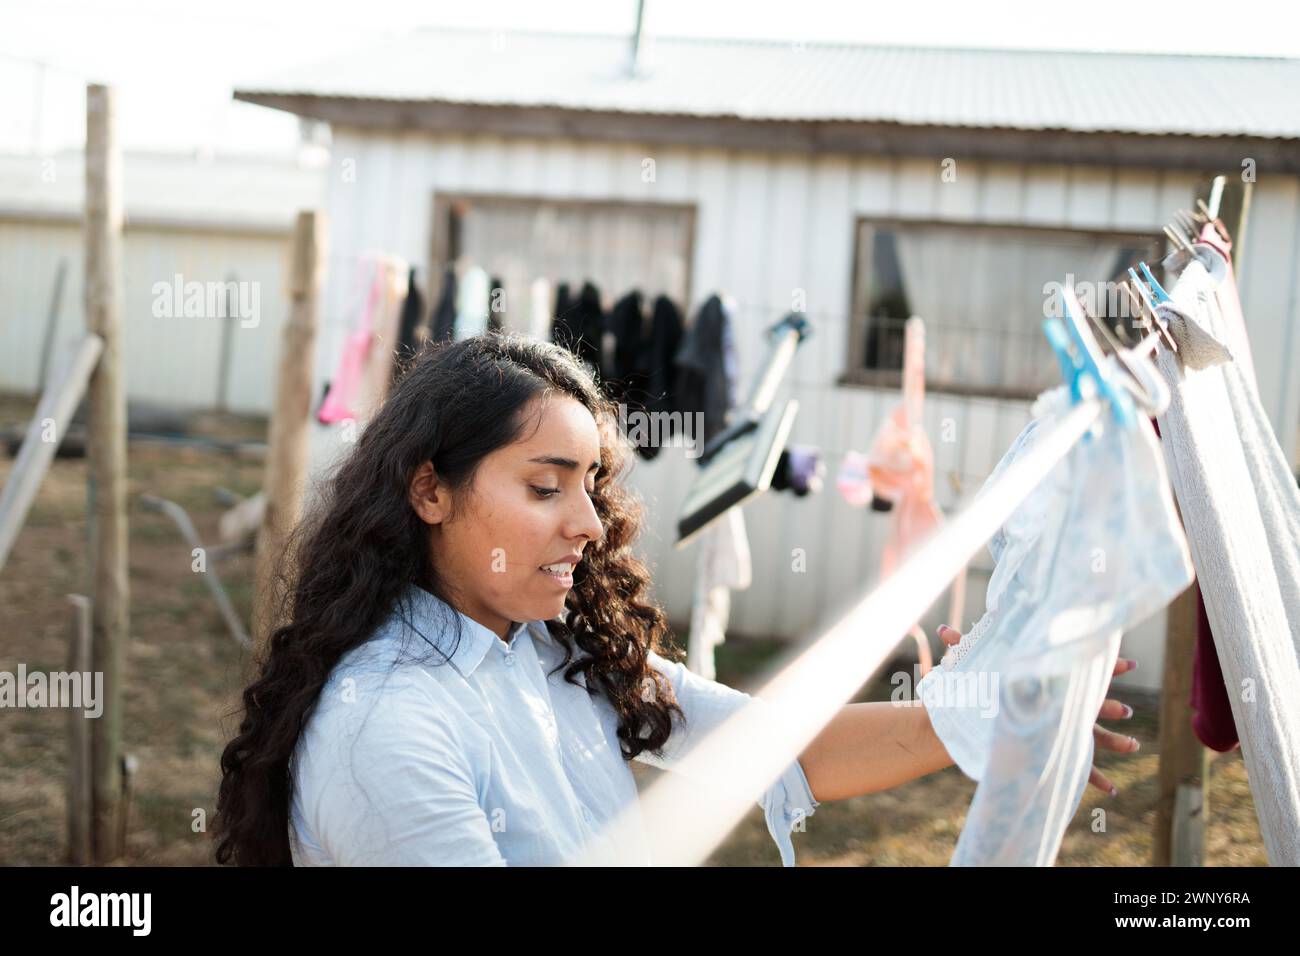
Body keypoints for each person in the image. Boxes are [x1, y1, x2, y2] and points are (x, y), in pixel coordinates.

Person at [212, 332, 1140, 866]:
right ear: (429, 492)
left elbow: (778, 750)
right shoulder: (390, 725)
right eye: (545, 488)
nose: (588, 523)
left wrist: (1000, 709)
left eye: (591, 485)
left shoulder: (549, 652)